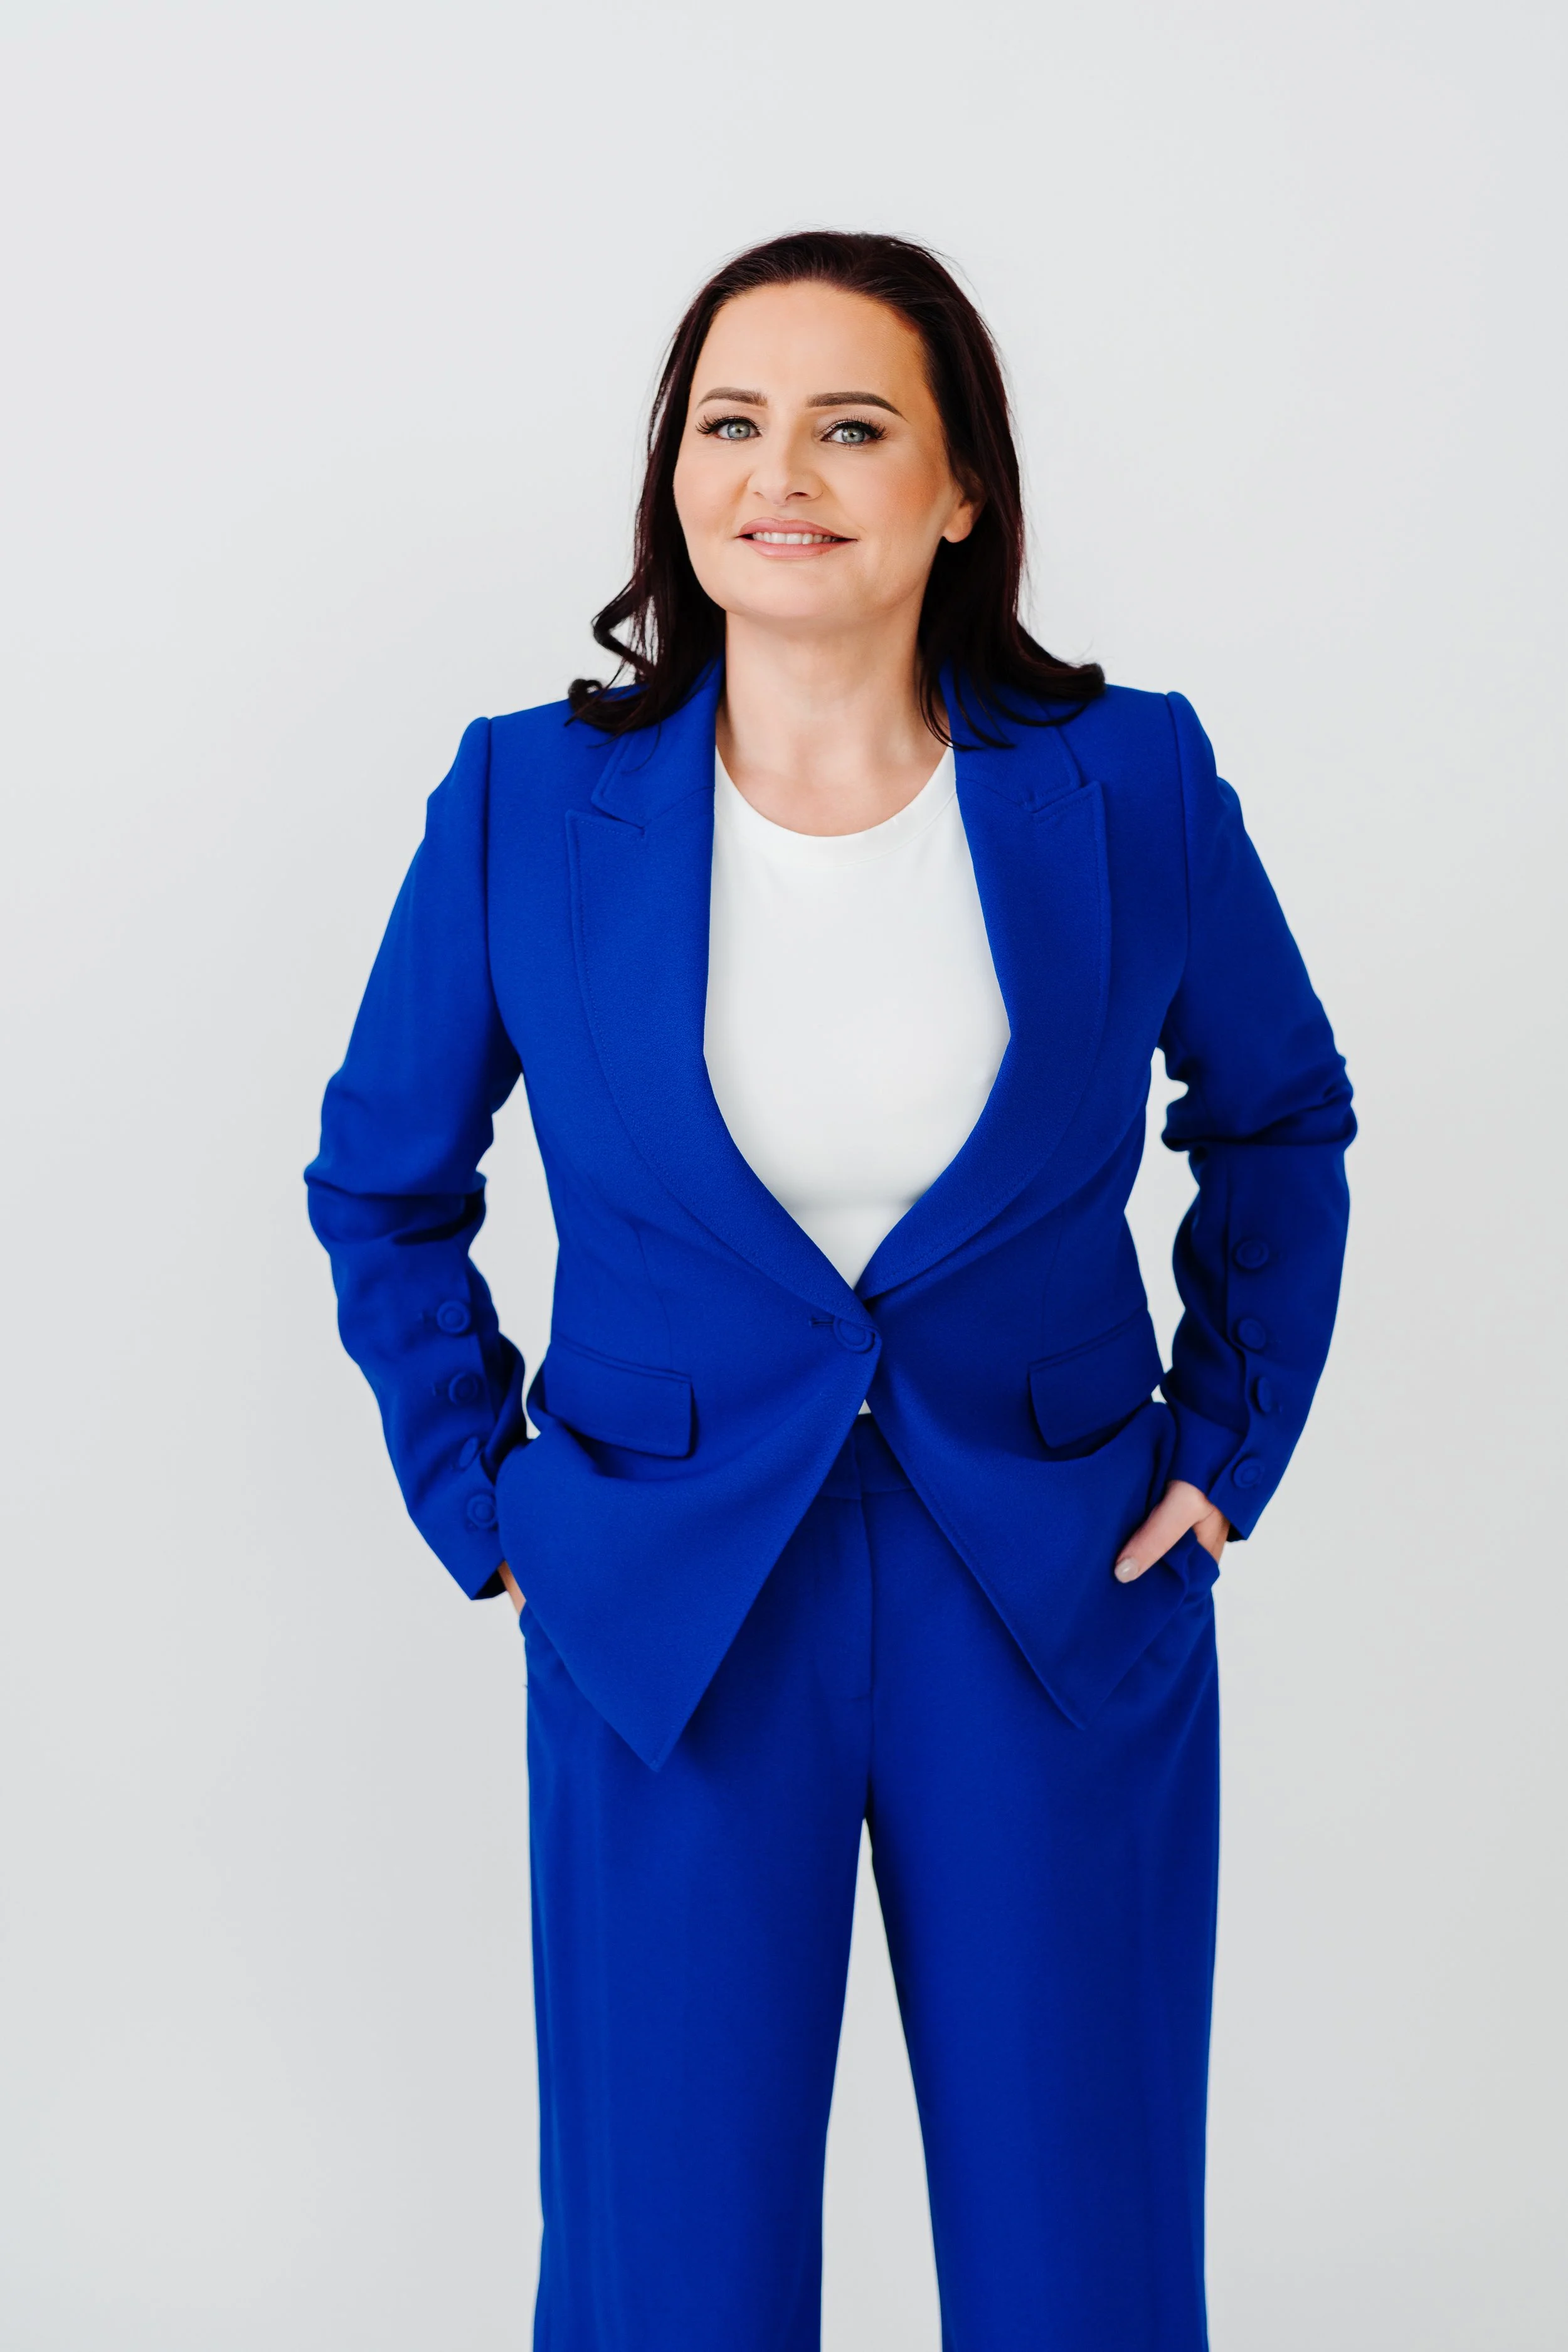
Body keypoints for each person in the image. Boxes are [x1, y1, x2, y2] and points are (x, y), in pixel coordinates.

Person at [305, 230, 1353, 2351]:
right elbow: (382, 1181)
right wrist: (485, 1506)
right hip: (664, 1599)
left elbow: (1277, 1114)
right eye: (730, 421)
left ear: (959, 485)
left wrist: (1229, 1447)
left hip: (1058, 1581)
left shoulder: (1125, 778)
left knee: (1087, 2263)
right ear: (674, 475)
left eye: (851, 424)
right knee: (662, 2276)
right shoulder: (529, 796)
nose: (779, 469)